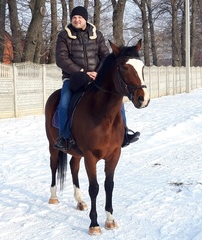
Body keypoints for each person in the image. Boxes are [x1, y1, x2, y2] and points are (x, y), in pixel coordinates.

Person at [54, 6, 140, 151]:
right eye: (74, 17)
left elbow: (105, 56)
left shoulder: (97, 35)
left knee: (117, 99)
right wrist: (82, 71)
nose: (76, 20)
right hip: (73, 78)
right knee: (64, 102)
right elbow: (61, 59)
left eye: (79, 17)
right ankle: (65, 137)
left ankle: (124, 133)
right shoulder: (64, 36)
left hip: (96, 77)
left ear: (85, 19)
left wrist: (97, 73)